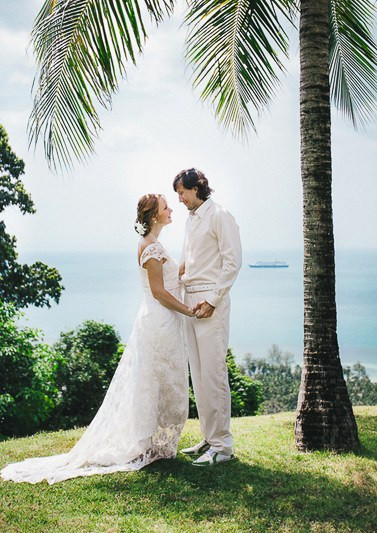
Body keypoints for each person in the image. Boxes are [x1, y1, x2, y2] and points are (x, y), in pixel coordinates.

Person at [1, 194, 194, 484]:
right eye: (166, 206)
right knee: (153, 381)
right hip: (159, 320)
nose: (171, 209)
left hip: (162, 320)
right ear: (154, 216)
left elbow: (169, 282)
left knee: (160, 380)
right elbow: (159, 292)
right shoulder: (151, 248)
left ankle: (155, 443)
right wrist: (188, 310)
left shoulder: (156, 245)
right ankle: (146, 444)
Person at [173, 168, 242, 467]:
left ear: (197, 187)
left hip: (211, 301)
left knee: (213, 374)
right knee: (198, 374)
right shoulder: (191, 220)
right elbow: (192, 258)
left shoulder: (220, 215)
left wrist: (214, 301)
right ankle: (208, 438)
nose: (179, 199)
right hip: (190, 300)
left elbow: (232, 262)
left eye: (182, 192)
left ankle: (223, 447)